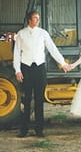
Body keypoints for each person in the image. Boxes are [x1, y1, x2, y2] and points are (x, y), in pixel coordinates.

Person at [13, 10, 70, 138]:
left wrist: (62, 63)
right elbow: (17, 53)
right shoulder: (21, 34)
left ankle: (39, 129)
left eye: (38, 18)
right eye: (35, 18)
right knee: (26, 100)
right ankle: (24, 130)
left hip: (39, 68)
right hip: (26, 68)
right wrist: (17, 70)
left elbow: (52, 48)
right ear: (29, 20)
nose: (37, 20)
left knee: (39, 100)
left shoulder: (43, 33)